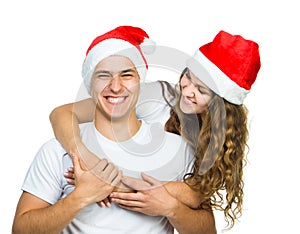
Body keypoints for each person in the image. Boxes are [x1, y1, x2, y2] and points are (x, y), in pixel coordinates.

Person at [50, 29, 261, 230]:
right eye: (188, 77)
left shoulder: (222, 139)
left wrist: (106, 186)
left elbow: (195, 195)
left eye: (202, 90)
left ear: (220, 105)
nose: (187, 91)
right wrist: (88, 161)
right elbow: (61, 114)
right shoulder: (160, 95)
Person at [12, 26, 216, 234]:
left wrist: (171, 208)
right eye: (103, 75)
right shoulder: (56, 151)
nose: (116, 87)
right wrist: (80, 196)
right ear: (90, 84)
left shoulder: (179, 149)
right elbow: (20, 230)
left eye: (126, 75)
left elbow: (208, 230)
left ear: (140, 82)